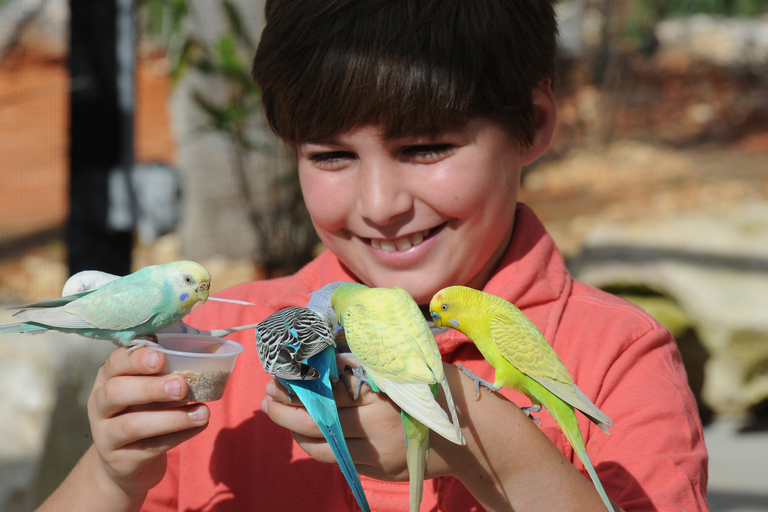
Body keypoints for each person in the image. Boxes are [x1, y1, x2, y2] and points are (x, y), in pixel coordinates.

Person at [37, 1, 708, 511]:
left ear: (530, 124)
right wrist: (112, 473)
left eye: (425, 148)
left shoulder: (618, 356)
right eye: (331, 155)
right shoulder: (223, 348)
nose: (380, 203)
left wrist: (480, 441)